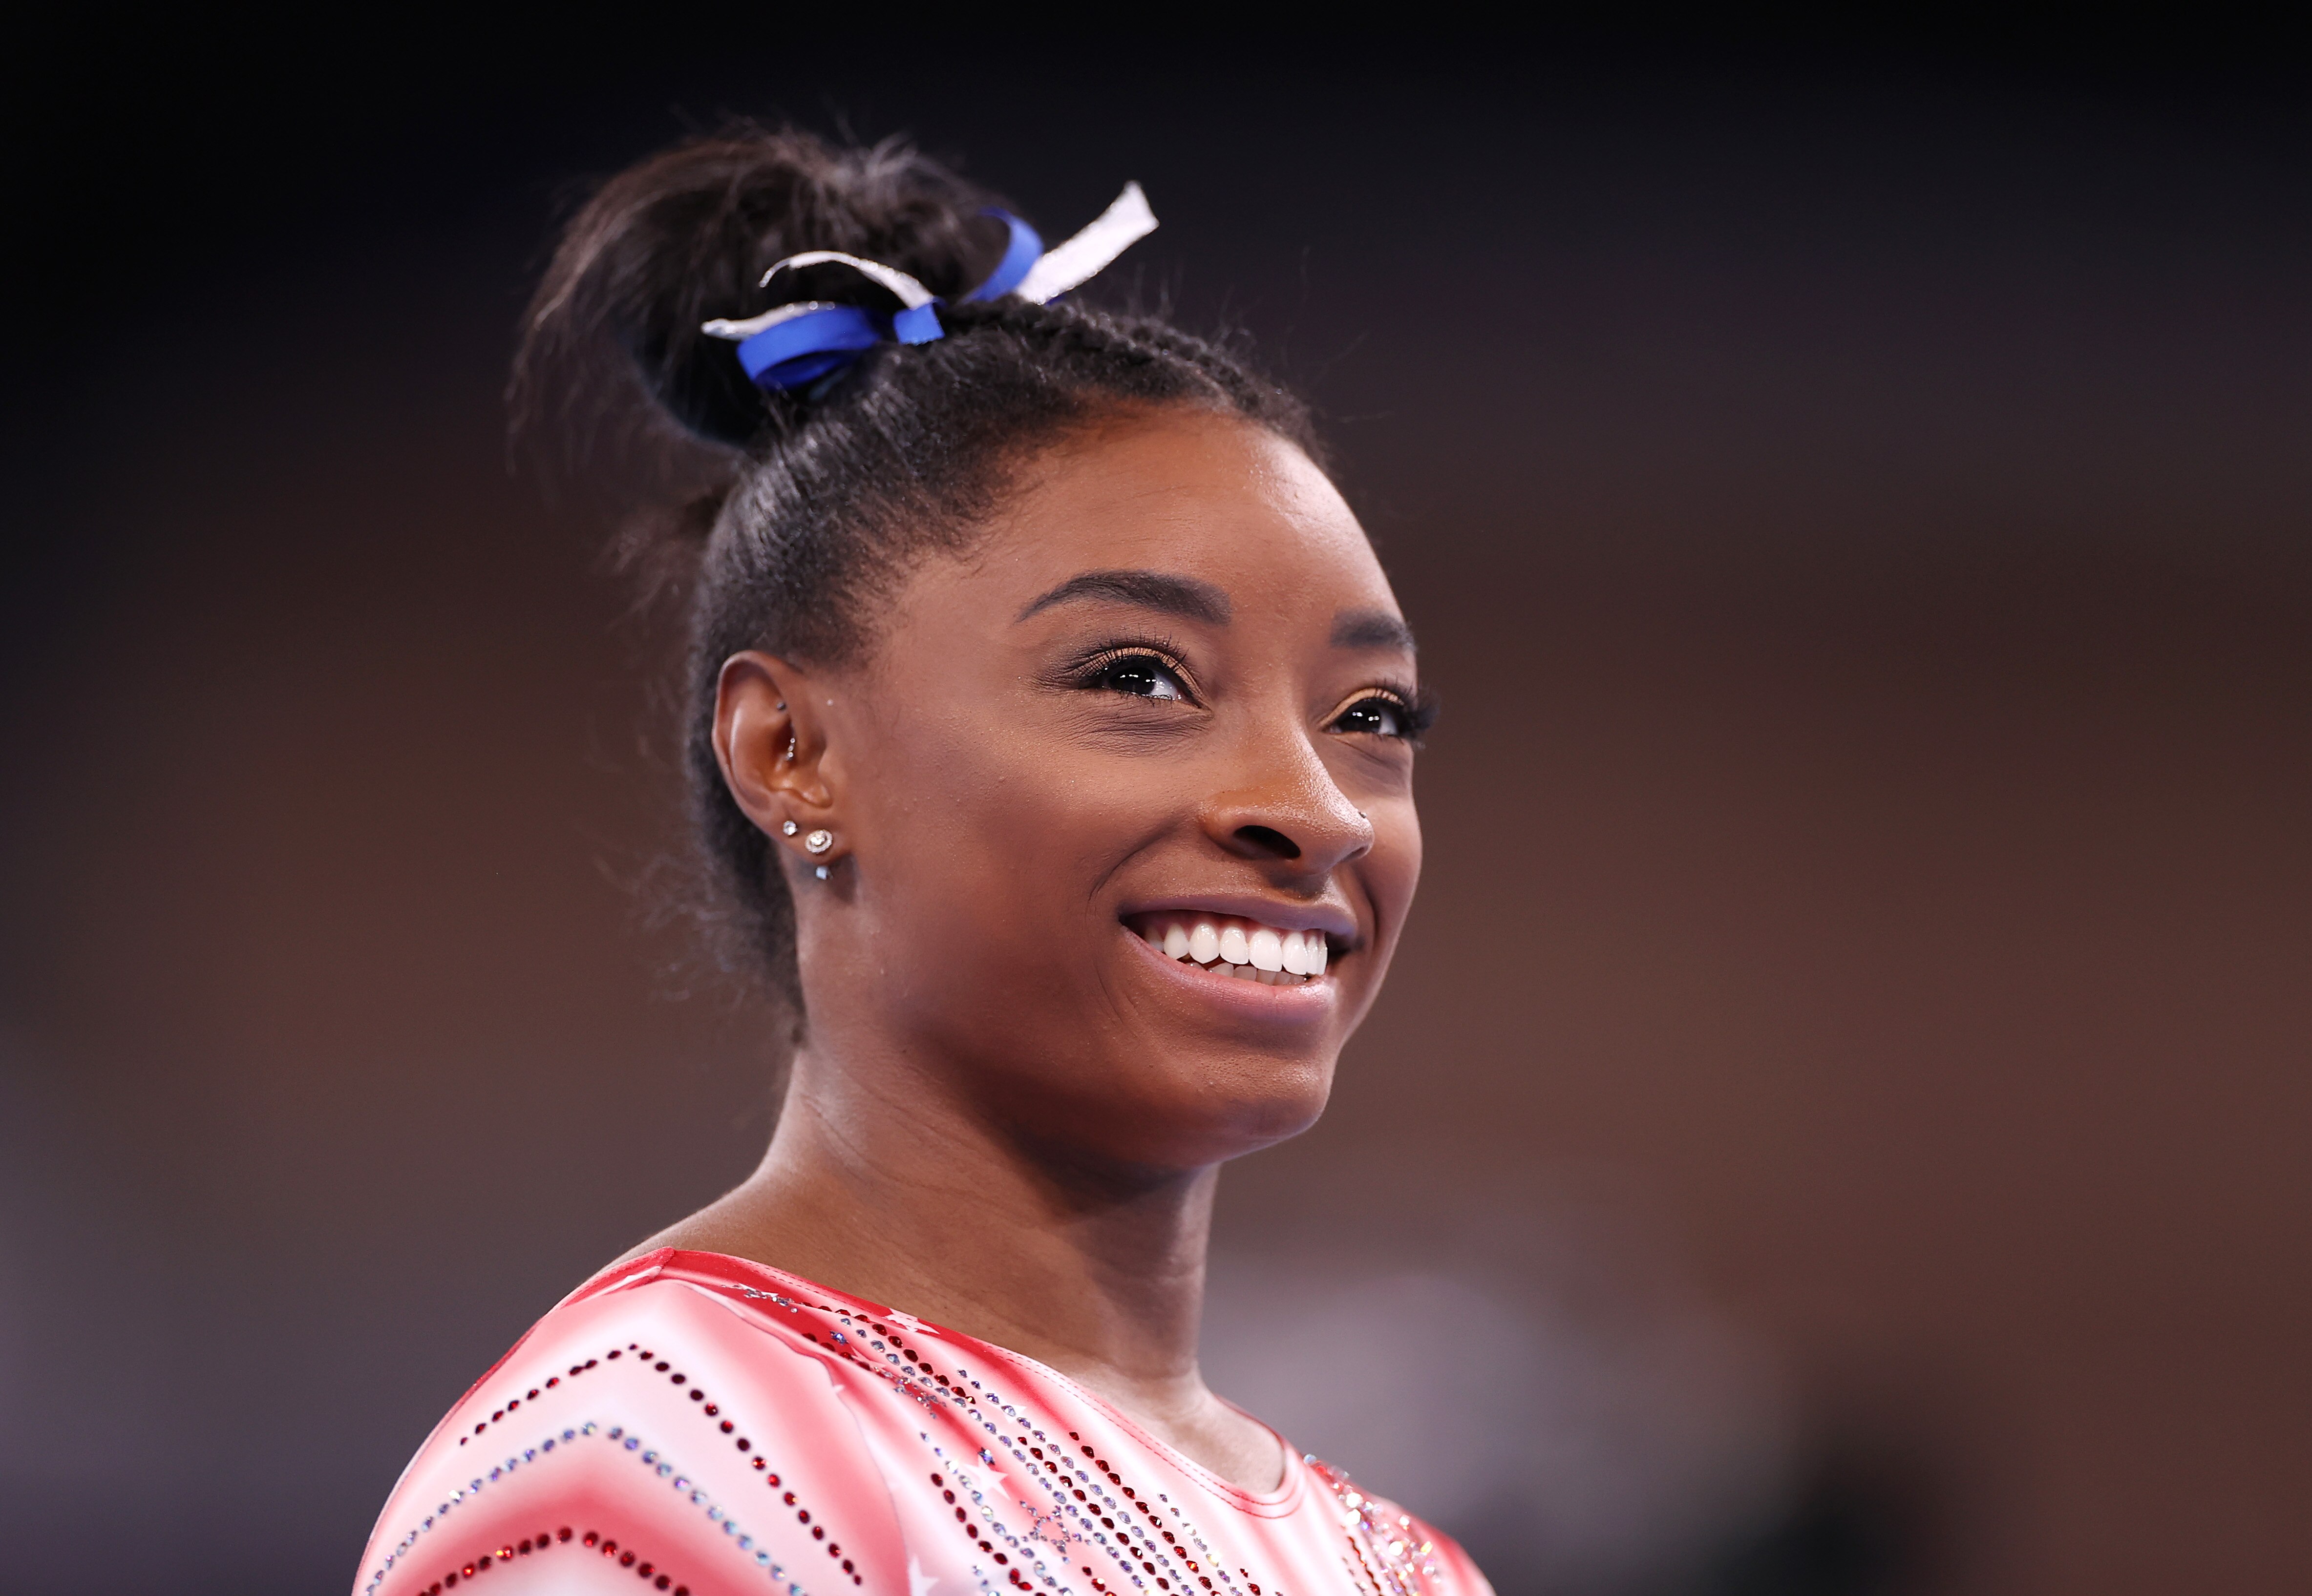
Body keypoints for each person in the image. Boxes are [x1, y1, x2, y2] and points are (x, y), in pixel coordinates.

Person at [354, 126, 1484, 1596]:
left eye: (1370, 715)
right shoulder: (652, 1471)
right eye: (1141, 678)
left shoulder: (1400, 1567)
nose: (1318, 807)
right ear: (790, 753)